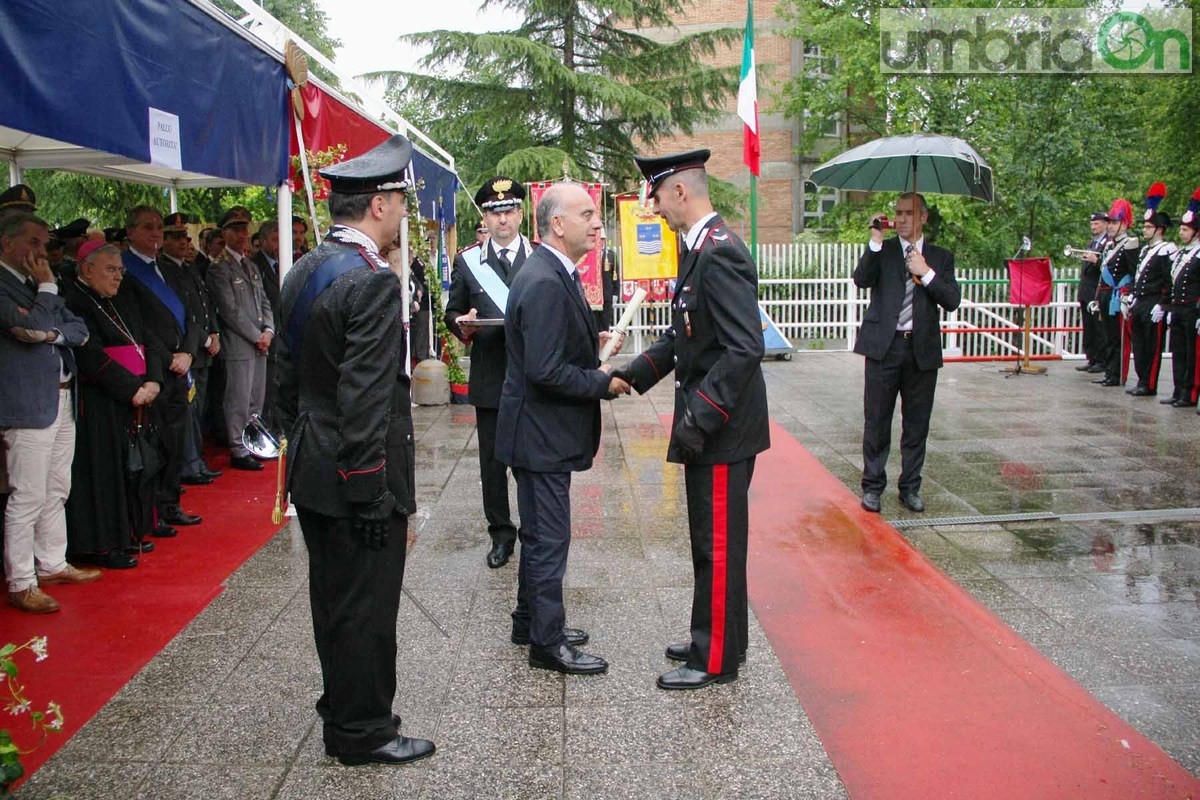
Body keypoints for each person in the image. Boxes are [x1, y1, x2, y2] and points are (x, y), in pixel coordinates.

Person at [276, 134, 434, 767]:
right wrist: (371, 489)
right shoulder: (370, 283)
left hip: (313, 463)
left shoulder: (306, 267)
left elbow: (285, 379)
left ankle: (342, 706)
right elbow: (366, 395)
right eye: (399, 201)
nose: (402, 214)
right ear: (378, 205)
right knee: (366, 607)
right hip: (355, 473)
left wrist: (302, 445)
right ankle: (364, 729)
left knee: (333, 600)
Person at [618, 149, 769, 689]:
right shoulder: (700, 249)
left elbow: (743, 349)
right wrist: (632, 375)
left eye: (657, 197)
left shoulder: (720, 253)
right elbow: (686, 339)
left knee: (718, 544)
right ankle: (721, 635)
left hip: (723, 429)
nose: (654, 208)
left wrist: (701, 418)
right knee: (711, 539)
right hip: (714, 427)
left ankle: (715, 659)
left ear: (680, 192)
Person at [495, 181, 629, 676]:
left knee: (538, 534)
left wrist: (587, 340)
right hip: (540, 434)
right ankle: (547, 644)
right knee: (550, 538)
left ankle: (529, 620)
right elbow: (545, 370)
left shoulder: (551, 271)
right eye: (588, 215)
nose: (598, 224)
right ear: (557, 224)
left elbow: (546, 345)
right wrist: (601, 383)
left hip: (537, 431)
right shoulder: (547, 279)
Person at [0, 211, 100, 613]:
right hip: (26, 404)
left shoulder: (36, 285)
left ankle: (52, 561)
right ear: (7, 243)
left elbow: (77, 328)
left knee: (58, 486)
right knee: (27, 494)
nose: (43, 252)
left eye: (44, 244)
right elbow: (26, 329)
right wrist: (45, 291)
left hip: (61, 395)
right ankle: (21, 580)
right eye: (34, 243)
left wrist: (49, 332)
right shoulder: (14, 286)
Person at [445, 177, 535, 569]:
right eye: (495, 212)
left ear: (520, 214)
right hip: (491, 376)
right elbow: (453, 311)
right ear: (485, 215)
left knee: (533, 461)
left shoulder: (541, 256)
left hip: (533, 377)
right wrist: (459, 323)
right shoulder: (468, 262)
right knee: (493, 464)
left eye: (509, 210)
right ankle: (501, 534)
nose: (503, 219)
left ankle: (535, 530)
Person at [853, 193, 961, 515]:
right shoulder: (882, 252)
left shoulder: (940, 257)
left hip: (921, 350)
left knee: (916, 424)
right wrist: (874, 241)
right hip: (884, 348)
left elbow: (952, 299)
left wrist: (925, 272)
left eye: (908, 214)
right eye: (897, 213)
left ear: (923, 218)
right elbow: (861, 280)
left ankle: (910, 487)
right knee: (877, 420)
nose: (900, 219)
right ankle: (872, 486)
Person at [63, 241, 166, 568]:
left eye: (120, 270)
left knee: (130, 467)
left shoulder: (121, 298)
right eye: (111, 269)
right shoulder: (76, 301)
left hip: (136, 394)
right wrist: (131, 389)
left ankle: (131, 532)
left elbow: (147, 339)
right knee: (104, 472)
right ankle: (105, 545)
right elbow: (89, 355)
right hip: (101, 403)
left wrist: (153, 380)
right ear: (87, 268)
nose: (118, 277)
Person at [121, 206, 202, 529]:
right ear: (130, 232)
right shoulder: (126, 271)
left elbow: (194, 315)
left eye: (158, 227)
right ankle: (151, 511)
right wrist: (168, 357)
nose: (155, 233)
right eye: (147, 227)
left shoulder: (169, 269)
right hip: (154, 370)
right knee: (156, 443)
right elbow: (137, 325)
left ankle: (170, 503)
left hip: (182, 367)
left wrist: (188, 353)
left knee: (177, 441)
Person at [207, 206, 273, 471]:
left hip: (259, 343)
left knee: (257, 397)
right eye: (235, 229)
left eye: (244, 228)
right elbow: (230, 310)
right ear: (224, 233)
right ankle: (237, 447)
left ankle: (253, 442)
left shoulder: (251, 265)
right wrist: (257, 335)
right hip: (239, 343)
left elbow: (265, 302)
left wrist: (269, 330)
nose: (242, 234)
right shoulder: (219, 268)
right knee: (239, 398)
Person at [160, 213, 222, 485]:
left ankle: (196, 460)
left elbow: (205, 306)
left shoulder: (189, 269)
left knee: (198, 409)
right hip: (190, 351)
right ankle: (189, 463)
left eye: (185, 237)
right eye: (176, 237)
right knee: (189, 411)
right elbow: (184, 315)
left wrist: (215, 332)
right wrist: (203, 340)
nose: (185, 242)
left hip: (203, 351)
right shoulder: (165, 271)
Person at [1125, 191, 1175, 397]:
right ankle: (1142, 379)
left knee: (1152, 346)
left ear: (1159, 229)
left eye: (1148, 227)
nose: (1144, 230)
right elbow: (1138, 276)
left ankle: (1150, 383)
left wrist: (1163, 304)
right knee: (1139, 344)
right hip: (1141, 301)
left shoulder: (1167, 249)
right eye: (1144, 226)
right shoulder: (1146, 250)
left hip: (1154, 301)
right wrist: (1132, 295)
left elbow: (1168, 280)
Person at [1091, 198, 1139, 388]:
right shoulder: (1110, 245)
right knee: (1108, 336)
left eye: (1115, 223)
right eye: (1110, 223)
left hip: (1118, 296)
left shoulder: (1130, 244)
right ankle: (1110, 372)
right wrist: (1096, 298)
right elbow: (1103, 275)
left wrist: (1129, 295)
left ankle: (1117, 373)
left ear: (1125, 224)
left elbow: (1134, 272)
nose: (1110, 227)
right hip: (1105, 294)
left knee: (1119, 338)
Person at [1166, 190, 1200, 408]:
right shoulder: (1180, 253)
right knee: (1177, 351)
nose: (1181, 232)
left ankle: (1189, 392)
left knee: (1190, 353)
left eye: (1185, 229)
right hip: (1178, 307)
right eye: (1181, 228)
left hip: (1192, 309)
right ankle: (1178, 389)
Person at [251, 221, 281, 432]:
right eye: (274, 239)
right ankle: (267, 429)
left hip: (283, 336)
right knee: (267, 389)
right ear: (262, 241)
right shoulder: (255, 265)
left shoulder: (286, 262)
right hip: (265, 335)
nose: (279, 245)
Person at [1075, 212, 1108, 373]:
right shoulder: (1091, 244)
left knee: (1099, 327)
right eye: (1092, 224)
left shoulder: (1108, 243)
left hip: (1097, 291)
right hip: (1086, 291)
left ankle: (1101, 360)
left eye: (1097, 224)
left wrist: (1097, 261)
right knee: (1088, 327)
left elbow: (1108, 268)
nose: (1093, 227)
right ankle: (1091, 358)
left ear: (1105, 224)